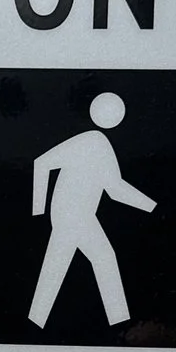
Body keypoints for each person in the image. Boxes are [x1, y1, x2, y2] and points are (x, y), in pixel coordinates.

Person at [28, 91, 155, 328]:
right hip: (73, 215)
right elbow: (41, 163)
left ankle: (35, 321)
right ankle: (119, 321)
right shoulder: (92, 141)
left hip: (75, 216)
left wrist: (150, 206)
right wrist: (38, 211)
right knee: (103, 258)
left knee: (58, 266)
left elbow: (114, 189)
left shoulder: (99, 144)